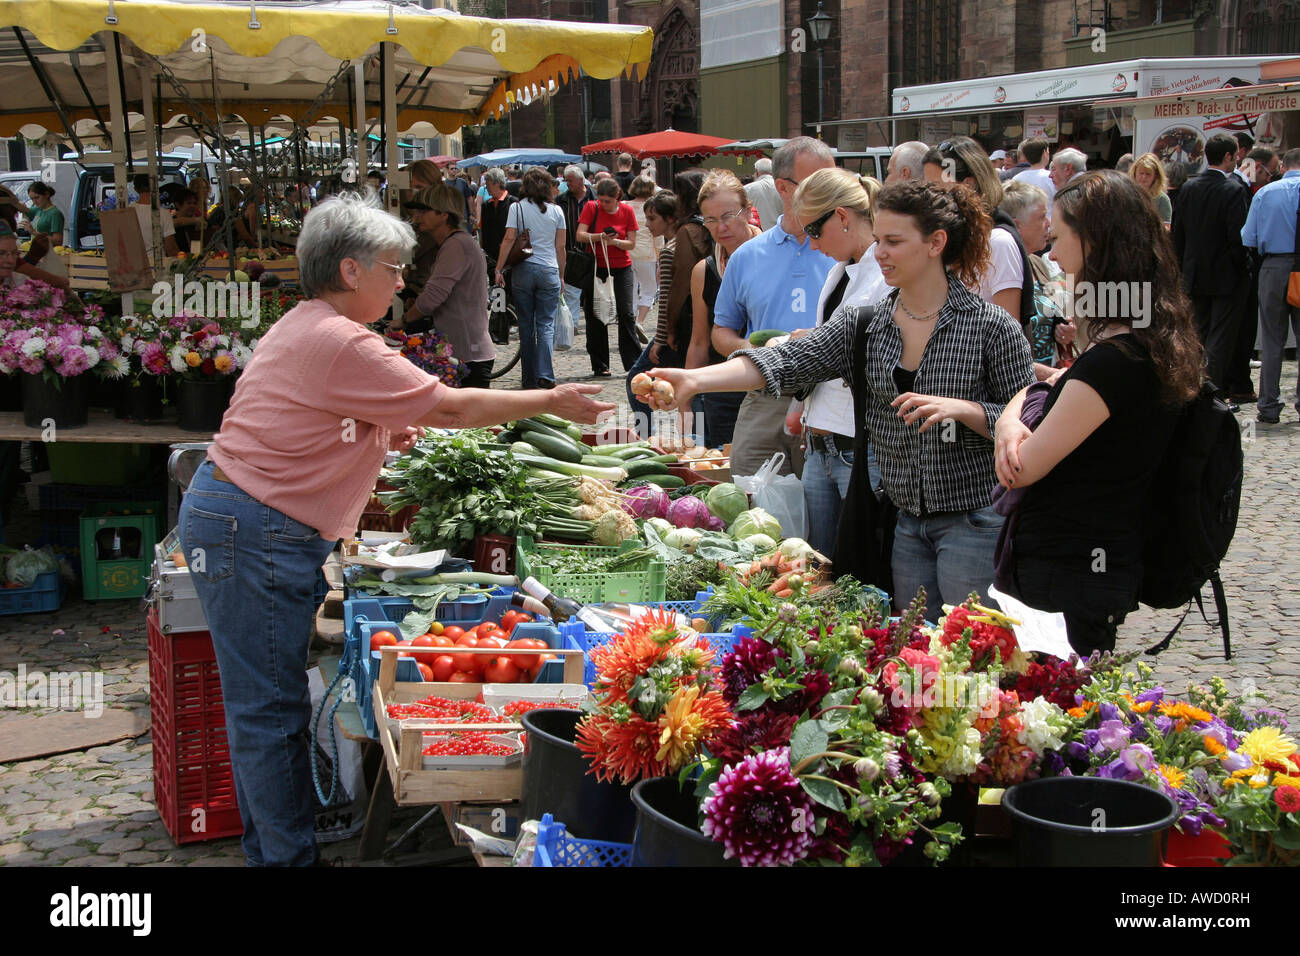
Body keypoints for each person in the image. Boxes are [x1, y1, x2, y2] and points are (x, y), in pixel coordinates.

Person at [177, 191, 611, 867]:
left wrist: (378, 431)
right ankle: (286, 860)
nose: (402, 279)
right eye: (392, 266)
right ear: (351, 271)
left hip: (251, 520)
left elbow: (323, 413)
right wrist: (551, 397)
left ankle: (274, 852)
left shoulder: (313, 323)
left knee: (270, 707)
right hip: (252, 529)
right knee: (268, 713)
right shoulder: (335, 337)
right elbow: (451, 404)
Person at [649, 180, 1034, 614]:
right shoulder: (866, 322)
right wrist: (694, 380)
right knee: (916, 651)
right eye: (879, 239)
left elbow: (1026, 418)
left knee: (973, 652)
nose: (880, 252)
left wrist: (965, 410)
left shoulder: (991, 327)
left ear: (936, 243)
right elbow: (787, 361)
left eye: (894, 241)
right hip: (902, 522)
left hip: (974, 519)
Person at [993, 171, 1205, 657]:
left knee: (1060, 714)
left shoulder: (1113, 360)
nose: (1053, 253)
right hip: (1097, 560)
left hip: (1069, 569)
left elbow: (1021, 467)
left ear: (1093, 244)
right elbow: (1068, 392)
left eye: (1060, 236)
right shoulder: (1148, 334)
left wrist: (1010, 413)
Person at [712, 137, 837, 478]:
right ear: (783, 187)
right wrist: (752, 350)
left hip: (829, 402)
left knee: (820, 514)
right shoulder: (748, 256)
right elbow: (721, 331)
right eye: (817, 182)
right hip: (765, 395)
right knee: (749, 497)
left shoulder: (845, 251)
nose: (830, 191)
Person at [789, 167, 890, 558]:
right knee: (820, 564)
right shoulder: (839, 272)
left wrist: (810, 345)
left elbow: (868, 352)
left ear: (842, 217)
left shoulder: (883, 275)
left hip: (859, 443)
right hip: (822, 441)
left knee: (856, 563)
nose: (813, 246)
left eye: (813, 231)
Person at [925, 137, 1040, 374]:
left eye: (936, 187)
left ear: (968, 185)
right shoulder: (947, 241)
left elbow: (1009, 338)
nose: (928, 197)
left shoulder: (997, 243)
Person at [1172, 132, 1251, 409]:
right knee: (1220, 338)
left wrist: (1183, 268)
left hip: (1194, 274)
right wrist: (1243, 267)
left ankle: (1193, 389)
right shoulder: (1233, 190)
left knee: (1198, 334)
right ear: (1229, 156)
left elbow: (1178, 236)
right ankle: (1211, 397)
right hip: (1226, 275)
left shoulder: (1189, 188)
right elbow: (1237, 237)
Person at [687, 171, 763, 447]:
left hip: (768, 390)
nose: (721, 227)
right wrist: (686, 398)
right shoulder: (704, 271)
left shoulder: (775, 259)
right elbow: (698, 341)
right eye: (711, 220)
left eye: (729, 215)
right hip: (720, 391)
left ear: (748, 211)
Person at [393, 184, 495, 387]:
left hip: (467, 353)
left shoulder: (455, 245)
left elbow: (433, 297)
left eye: (423, 211)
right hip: (464, 349)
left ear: (443, 215)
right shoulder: (454, 243)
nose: (417, 217)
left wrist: (402, 321)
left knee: (466, 417)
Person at [1241, 147, 1300, 425]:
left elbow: (1248, 237)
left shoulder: (1265, 193)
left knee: (1272, 339)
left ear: (1284, 166)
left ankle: (1268, 405)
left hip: (1274, 266)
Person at [496, 167, 568, 389]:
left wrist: (499, 268)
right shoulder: (557, 212)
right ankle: (546, 374)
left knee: (526, 325)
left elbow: (509, 239)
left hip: (524, 270)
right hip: (549, 271)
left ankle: (528, 377)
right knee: (545, 324)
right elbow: (561, 247)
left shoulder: (516, 208)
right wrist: (562, 275)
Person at [999, 180, 1075, 364]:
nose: (1048, 223)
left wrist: (1065, 330)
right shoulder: (1003, 270)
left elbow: (1054, 316)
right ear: (1017, 226)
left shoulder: (1036, 262)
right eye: (1041, 217)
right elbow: (1007, 350)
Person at [576, 178, 640, 376]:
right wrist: (599, 238)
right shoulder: (591, 207)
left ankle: (634, 362)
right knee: (596, 315)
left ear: (617, 198)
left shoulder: (627, 211)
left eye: (607, 201)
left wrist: (616, 242)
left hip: (621, 267)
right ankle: (600, 364)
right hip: (597, 268)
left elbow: (631, 243)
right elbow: (580, 235)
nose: (603, 205)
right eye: (601, 200)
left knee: (626, 314)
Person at [478, 168, 518, 343]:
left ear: (496, 183)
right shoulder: (487, 206)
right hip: (492, 257)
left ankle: (509, 321)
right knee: (498, 292)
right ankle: (498, 330)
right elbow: (483, 231)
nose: (486, 187)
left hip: (510, 257)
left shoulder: (512, 204)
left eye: (488, 184)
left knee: (510, 290)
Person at [557, 165, 595, 340]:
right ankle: (572, 324)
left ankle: (593, 320)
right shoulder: (562, 200)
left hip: (592, 250)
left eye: (570, 181)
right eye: (566, 181)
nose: (568, 184)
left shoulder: (594, 196)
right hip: (570, 248)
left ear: (581, 180)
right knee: (571, 289)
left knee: (591, 291)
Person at [628, 175, 661, 333]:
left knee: (631, 289)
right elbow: (658, 236)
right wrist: (661, 257)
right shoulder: (653, 208)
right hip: (646, 254)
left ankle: (631, 319)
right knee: (650, 288)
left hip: (626, 252)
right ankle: (639, 320)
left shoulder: (623, 205)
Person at [130, 174, 180, 260]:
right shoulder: (163, 214)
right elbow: (171, 248)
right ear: (156, 188)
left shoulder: (127, 212)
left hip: (133, 263)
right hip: (157, 264)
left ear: (135, 189)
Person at [1128, 152, 1172, 225]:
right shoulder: (1127, 195)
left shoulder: (1162, 199)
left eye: (1148, 174)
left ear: (1155, 176)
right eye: (1141, 173)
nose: (1144, 177)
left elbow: (1166, 228)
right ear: (1135, 173)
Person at [744, 157, 783, 229]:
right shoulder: (783, 188)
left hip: (756, 232)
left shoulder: (747, 189)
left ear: (757, 172)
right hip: (780, 232)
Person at [23, 182, 63, 252]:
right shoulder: (38, 209)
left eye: (37, 197)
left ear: (46, 194)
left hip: (48, 253)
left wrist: (34, 232)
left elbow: (57, 241)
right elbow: (24, 211)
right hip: (36, 252)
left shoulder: (54, 214)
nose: (34, 201)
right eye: (32, 199)